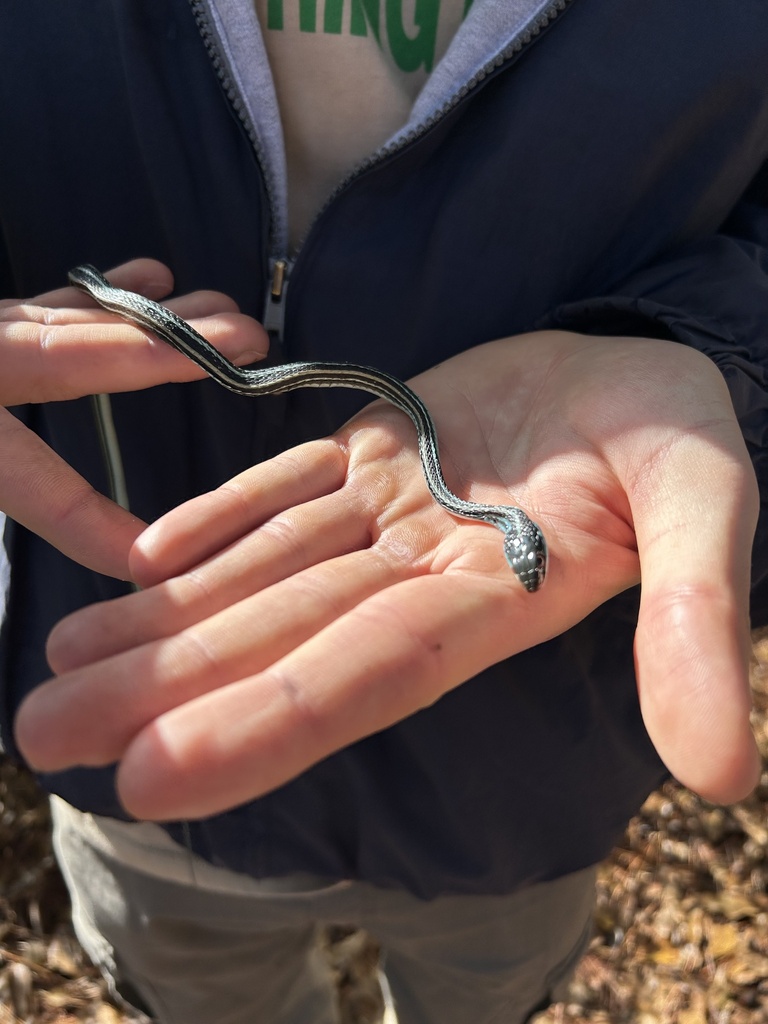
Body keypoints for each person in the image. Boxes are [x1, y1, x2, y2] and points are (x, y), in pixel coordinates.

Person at [1, 2, 767, 1021]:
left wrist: (720, 349)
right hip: (146, 753)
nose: (523, 553)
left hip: (505, 804)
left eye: (522, 550)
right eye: (520, 549)